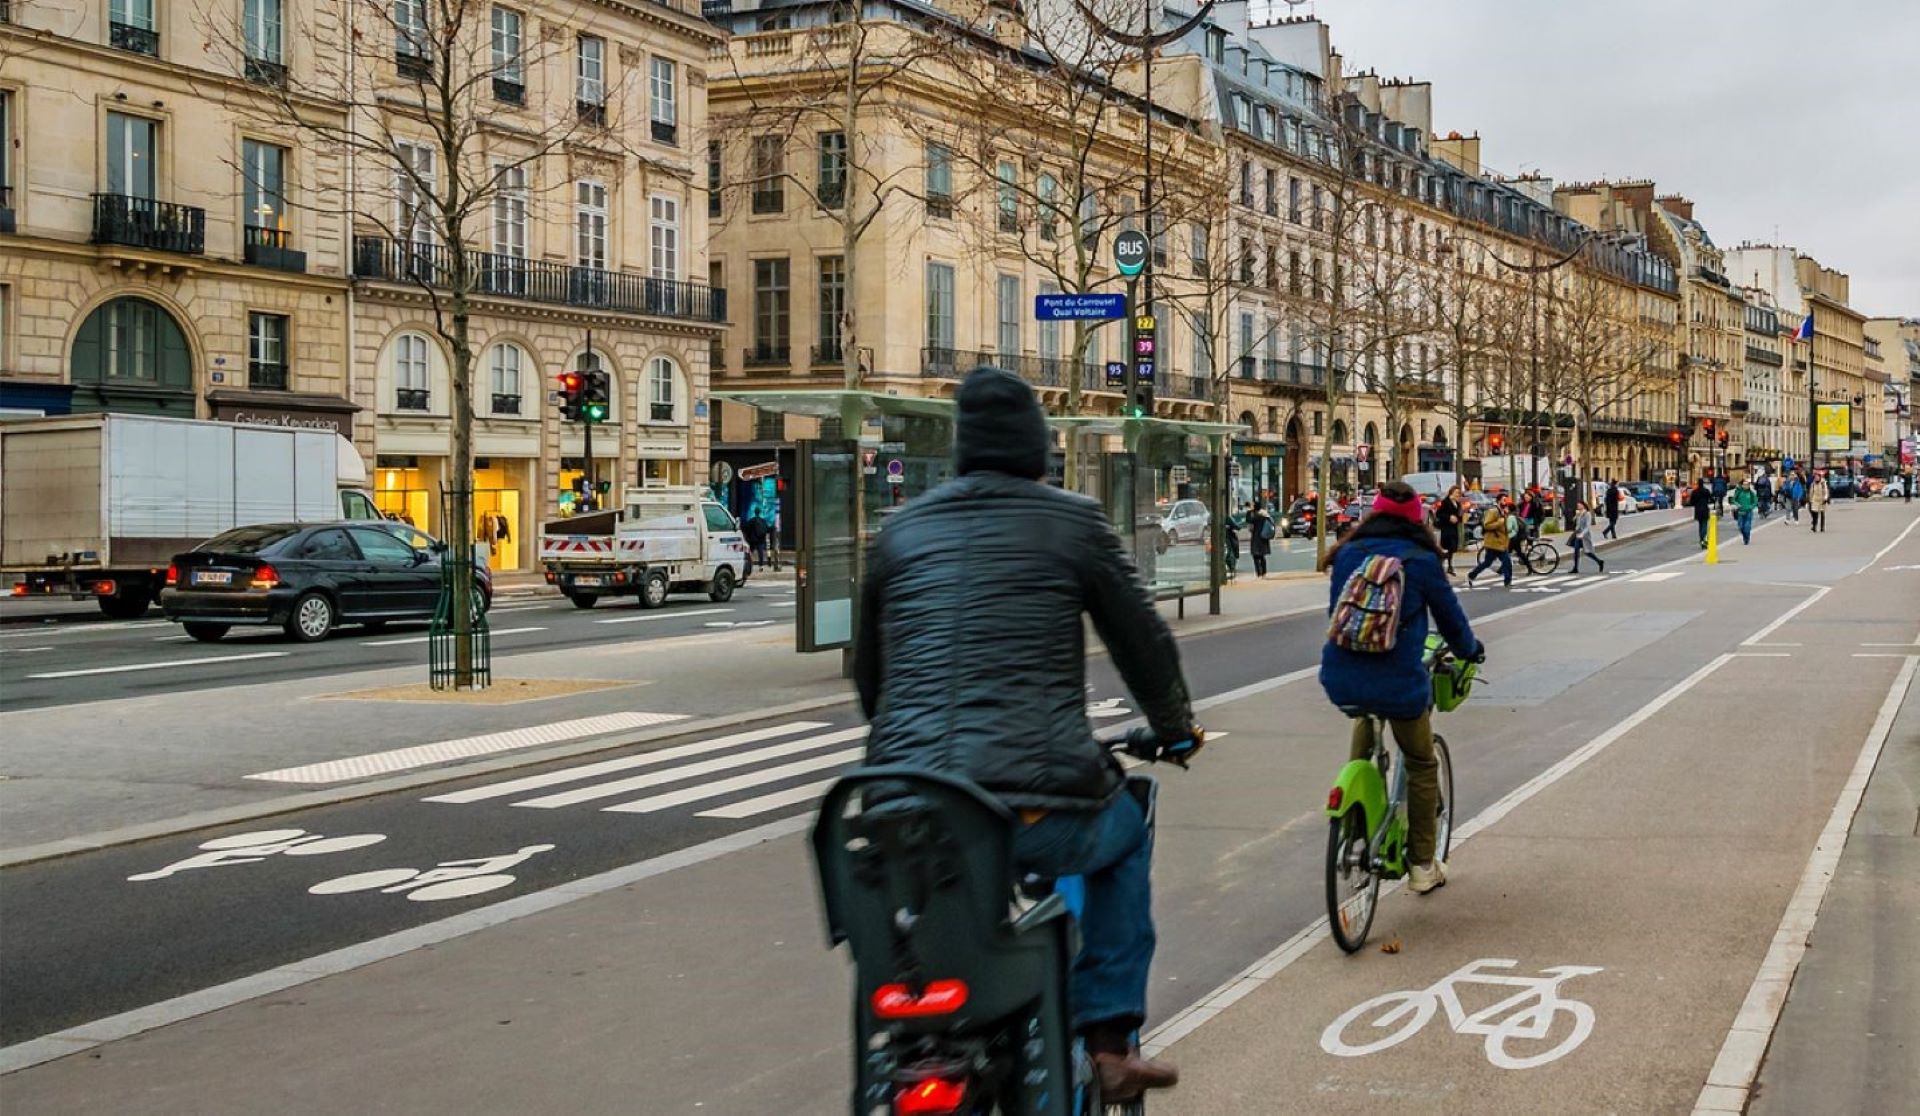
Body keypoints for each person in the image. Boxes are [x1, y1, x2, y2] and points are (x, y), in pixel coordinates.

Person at [854, 368, 1200, 1100]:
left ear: (961, 449)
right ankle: (1108, 1040)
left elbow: (872, 680)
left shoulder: (899, 529)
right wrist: (1176, 730)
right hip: (1032, 807)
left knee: (912, 917)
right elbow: (1145, 645)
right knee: (1125, 830)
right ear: (1037, 449)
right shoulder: (1072, 520)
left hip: (902, 809)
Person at [1320, 482, 1483, 895]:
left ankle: (1356, 816)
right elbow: (1451, 621)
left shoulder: (1347, 555)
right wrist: (1471, 650)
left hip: (1341, 678)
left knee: (1365, 713)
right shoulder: (1422, 561)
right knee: (1422, 763)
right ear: (1417, 520)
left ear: (1373, 515)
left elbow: (1335, 616)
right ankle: (1422, 865)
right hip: (1400, 683)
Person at [1466, 497, 1518, 588]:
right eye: (1503, 500)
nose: (1505, 502)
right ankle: (1472, 575)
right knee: (1491, 562)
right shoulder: (1493, 511)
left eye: (1506, 500)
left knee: (1502, 562)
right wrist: (1500, 521)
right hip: (1493, 543)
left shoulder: (1502, 512)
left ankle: (1507, 581)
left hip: (1500, 543)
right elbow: (1487, 525)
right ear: (1498, 501)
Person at [1435, 486, 1464, 577]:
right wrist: (1449, 517)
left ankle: (1447, 563)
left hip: (1454, 527)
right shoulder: (1445, 502)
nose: (1458, 494)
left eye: (1459, 493)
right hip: (1446, 528)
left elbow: (1459, 515)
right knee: (1450, 545)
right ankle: (1446, 562)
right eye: (1456, 492)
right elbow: (1439, 513)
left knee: (1453, 548)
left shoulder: (1458, 504)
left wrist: (1459, 518)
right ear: (1451, 493)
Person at [1570, 500, 1606, 574]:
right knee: (1576, 551)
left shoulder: (1587, 514)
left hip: (1585, 536)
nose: (1578, 506)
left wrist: (1582, 534)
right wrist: (1576, 516)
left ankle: (1599, 561)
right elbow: (1575, 523)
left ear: (1583, 505)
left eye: (1579, 505)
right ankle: (1575, 568)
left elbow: (1588, 526)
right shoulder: (1579, 514)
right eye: (1578, 505)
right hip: (1578, 535)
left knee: (1587, 552)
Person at [1247, 500, 1274, 578]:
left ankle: (1259, 573)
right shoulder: (1265, 515)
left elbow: (1248, 521)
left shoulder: (1255, 516)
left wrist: (1249, 511)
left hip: (1256, 538)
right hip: (1264, 537)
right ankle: (1264, 573)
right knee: (1262, 556)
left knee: (1255, 556)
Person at [1730, 478, 1757, 545]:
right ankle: (1745, 536)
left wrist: (1751, 507)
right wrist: (1737, 505)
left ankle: (1746, 538)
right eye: (1744, 485)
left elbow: (1755, 501)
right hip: (1740, 512)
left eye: (1747, 485)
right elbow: (1733, 500)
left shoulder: (1751, 493)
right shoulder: (1739, 492)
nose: (1745, 486)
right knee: (1741, 526)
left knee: (1747, 527)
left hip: (1748, 512)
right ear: (1742, 485)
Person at [1689, 478, 1713, 548]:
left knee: (1700, 525)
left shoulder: (1694, 492)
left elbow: (1691, 502)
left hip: (1698, 510)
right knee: (1704, 525)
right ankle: (1703, 539)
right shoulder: (1706, 491)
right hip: (1705, 509)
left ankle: (1701, 539)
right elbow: (1711, 499)